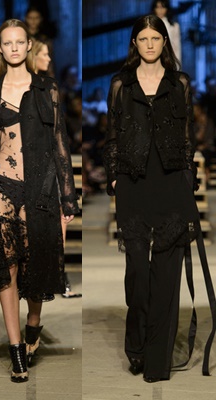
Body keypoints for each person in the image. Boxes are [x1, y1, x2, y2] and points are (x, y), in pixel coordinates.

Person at [103, 15, 216, 383]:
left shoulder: (179, 83)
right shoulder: (120, 84)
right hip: (133, 183)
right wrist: (115, 178)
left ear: (164, 42)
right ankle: (136, 345)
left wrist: (188, 177)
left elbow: (186, 136)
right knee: (138, 273)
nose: (149, 45)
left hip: (170, 182)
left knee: (167, 275)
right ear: (134, 43)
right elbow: (112, 135)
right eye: (143, 39)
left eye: (156, 38)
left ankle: (156, 359)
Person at [0, 19, 79, 383]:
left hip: (37, 188)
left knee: (34, 265)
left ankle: (33, 322)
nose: (14, 48)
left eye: (20, 42)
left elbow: (60, 144)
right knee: (7, 264)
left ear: (29, 45)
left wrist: (68, 197)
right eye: (7, 43)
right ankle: (15, 349)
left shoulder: (47, 88)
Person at [31, 38, 82, 299]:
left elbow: (58, 135)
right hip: (27, 168)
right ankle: (48, 278)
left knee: (61, 222)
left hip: (51, 163)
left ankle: (59, 277)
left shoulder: (49, 87)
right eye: (44, 54)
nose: (49, 59)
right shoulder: (15, 88)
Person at [152, 0, 181, 65]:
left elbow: (177, 48)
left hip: (168, 61)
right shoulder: (149, 25)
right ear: (154, 8)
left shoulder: (174, 26)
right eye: (157, 7)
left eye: (163, 7)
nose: (160, 10)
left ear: (167, 9)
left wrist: (177, 66)